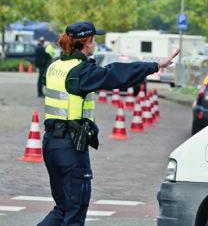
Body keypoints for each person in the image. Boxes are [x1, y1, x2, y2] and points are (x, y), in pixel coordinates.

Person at [38, 21, 179, 226]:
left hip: (50, 144)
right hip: (70, 149)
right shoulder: (80, 71)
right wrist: (155, 65)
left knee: (62, 208)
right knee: (74, 213)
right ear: (87, 43)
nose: (95, 44)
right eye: (94, 40)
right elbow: (116, 75)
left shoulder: (55, 67)